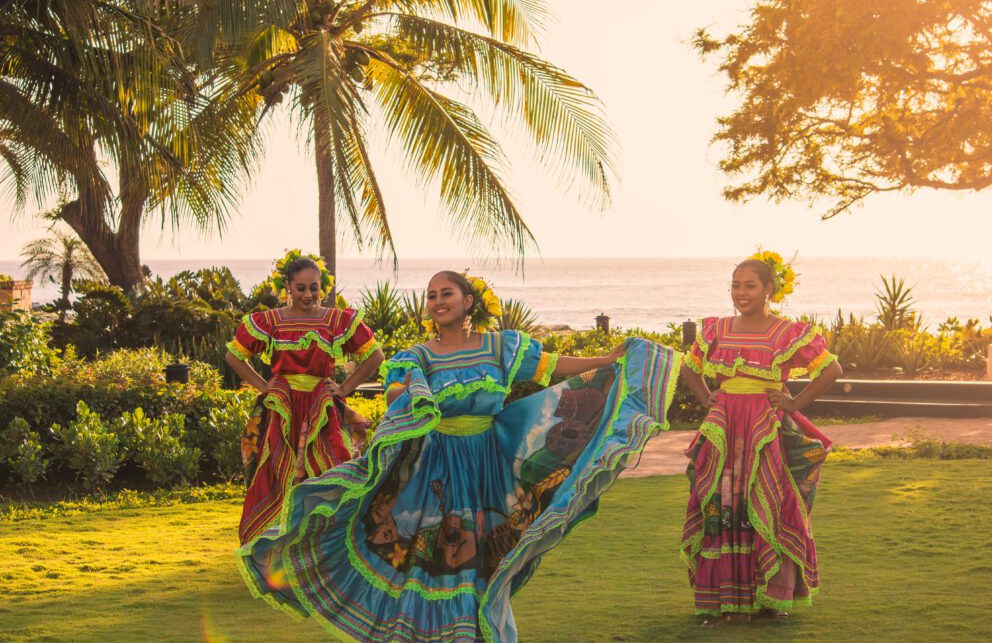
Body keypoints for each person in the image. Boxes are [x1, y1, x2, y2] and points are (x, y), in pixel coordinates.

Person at [237, 270, 681, 642]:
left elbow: (551, 366)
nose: (436, 301)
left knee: (487, 560)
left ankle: (484, 631)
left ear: (469, 300)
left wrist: (607, 358)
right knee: (436, 560)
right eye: (430, 296)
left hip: (490, 463)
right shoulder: (418, 357)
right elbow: (397, 394)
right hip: (437, 468)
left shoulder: (499, 347)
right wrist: (404, 396)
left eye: (445, 293)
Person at [680, 252, 842, 624]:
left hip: (765, 428)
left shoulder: (787, 332)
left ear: (769, 289)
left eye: (749, 285)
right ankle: (723, 602)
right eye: (735, 286)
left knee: (769, 502)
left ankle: (772, 599)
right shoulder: (716, 330)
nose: (741, 292)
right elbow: (689, 367)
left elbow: (832, 368)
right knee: (721, 506)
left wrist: (794, 401)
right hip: (724, 428)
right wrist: (707, 398)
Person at [225, 252, 384, 545]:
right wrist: (263, 386)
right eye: (301, 287)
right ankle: (272, 549)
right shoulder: (270, 321)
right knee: (276, 474)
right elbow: (233, 356)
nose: (309, 294)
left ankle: (328, 548)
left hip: (320, 408)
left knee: (332, 469)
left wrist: (346, 387)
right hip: (282, 410)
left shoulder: (335, 320)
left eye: (315, 287)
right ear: (287, 286)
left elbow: (375, 355)